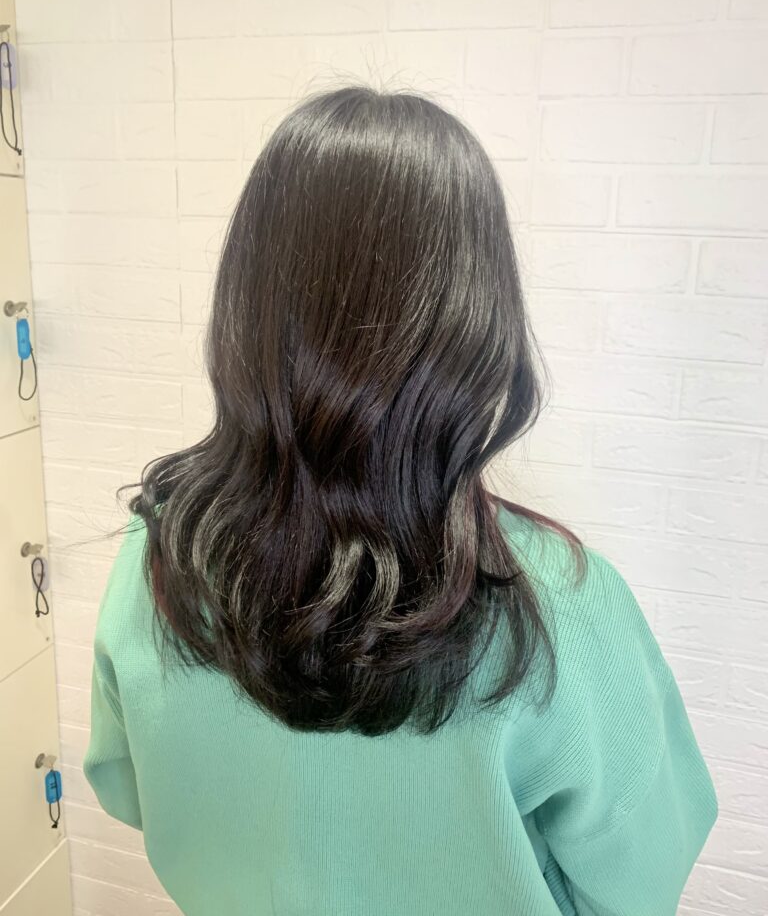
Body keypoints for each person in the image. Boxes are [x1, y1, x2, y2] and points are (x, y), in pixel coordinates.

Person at [83, 84, 717, 916]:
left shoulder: (162, 563)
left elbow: (127, 788)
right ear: (477, 321)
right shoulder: (560, 609)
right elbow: (638, 882)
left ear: (250, 303)